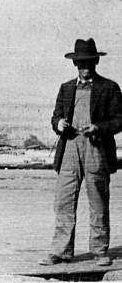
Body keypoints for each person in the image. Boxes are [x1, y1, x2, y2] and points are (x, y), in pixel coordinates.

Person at [39, 38, 122, 267]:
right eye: (80, 63)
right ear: (75, 64)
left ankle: (99, 251)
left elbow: (119, 119)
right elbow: (55, 116)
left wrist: (99, 128)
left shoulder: (109, 87)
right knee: (64, 201)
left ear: (96, 61)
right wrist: (59, 124)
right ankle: (60, 251)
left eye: (88, 62)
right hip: (69, 149)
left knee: (98, 201)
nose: (84, 67)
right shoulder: (66, 88)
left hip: (96, 148)